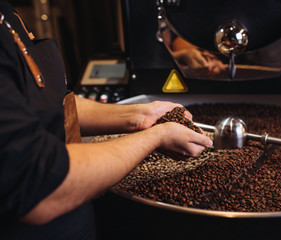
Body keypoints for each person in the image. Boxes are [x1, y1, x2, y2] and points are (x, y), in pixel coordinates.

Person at [0, 1, 213, 239]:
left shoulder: (6, 13)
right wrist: (157, 136)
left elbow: (46, 103)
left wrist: (140, 115)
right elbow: (39, 181)